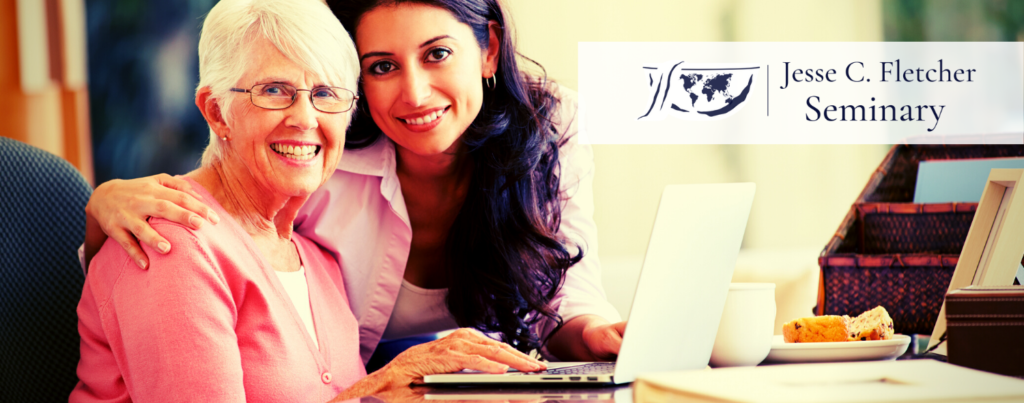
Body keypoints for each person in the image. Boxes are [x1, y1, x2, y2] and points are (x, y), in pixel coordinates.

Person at [82, 0, 626, 368]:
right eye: (382, 67)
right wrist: (102, 204)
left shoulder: (546, 128)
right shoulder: (320, 148)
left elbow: (566, 292)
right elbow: (220, 221)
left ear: (488, 47)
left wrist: (596, 334)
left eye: (437, 54)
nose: (414, 93)